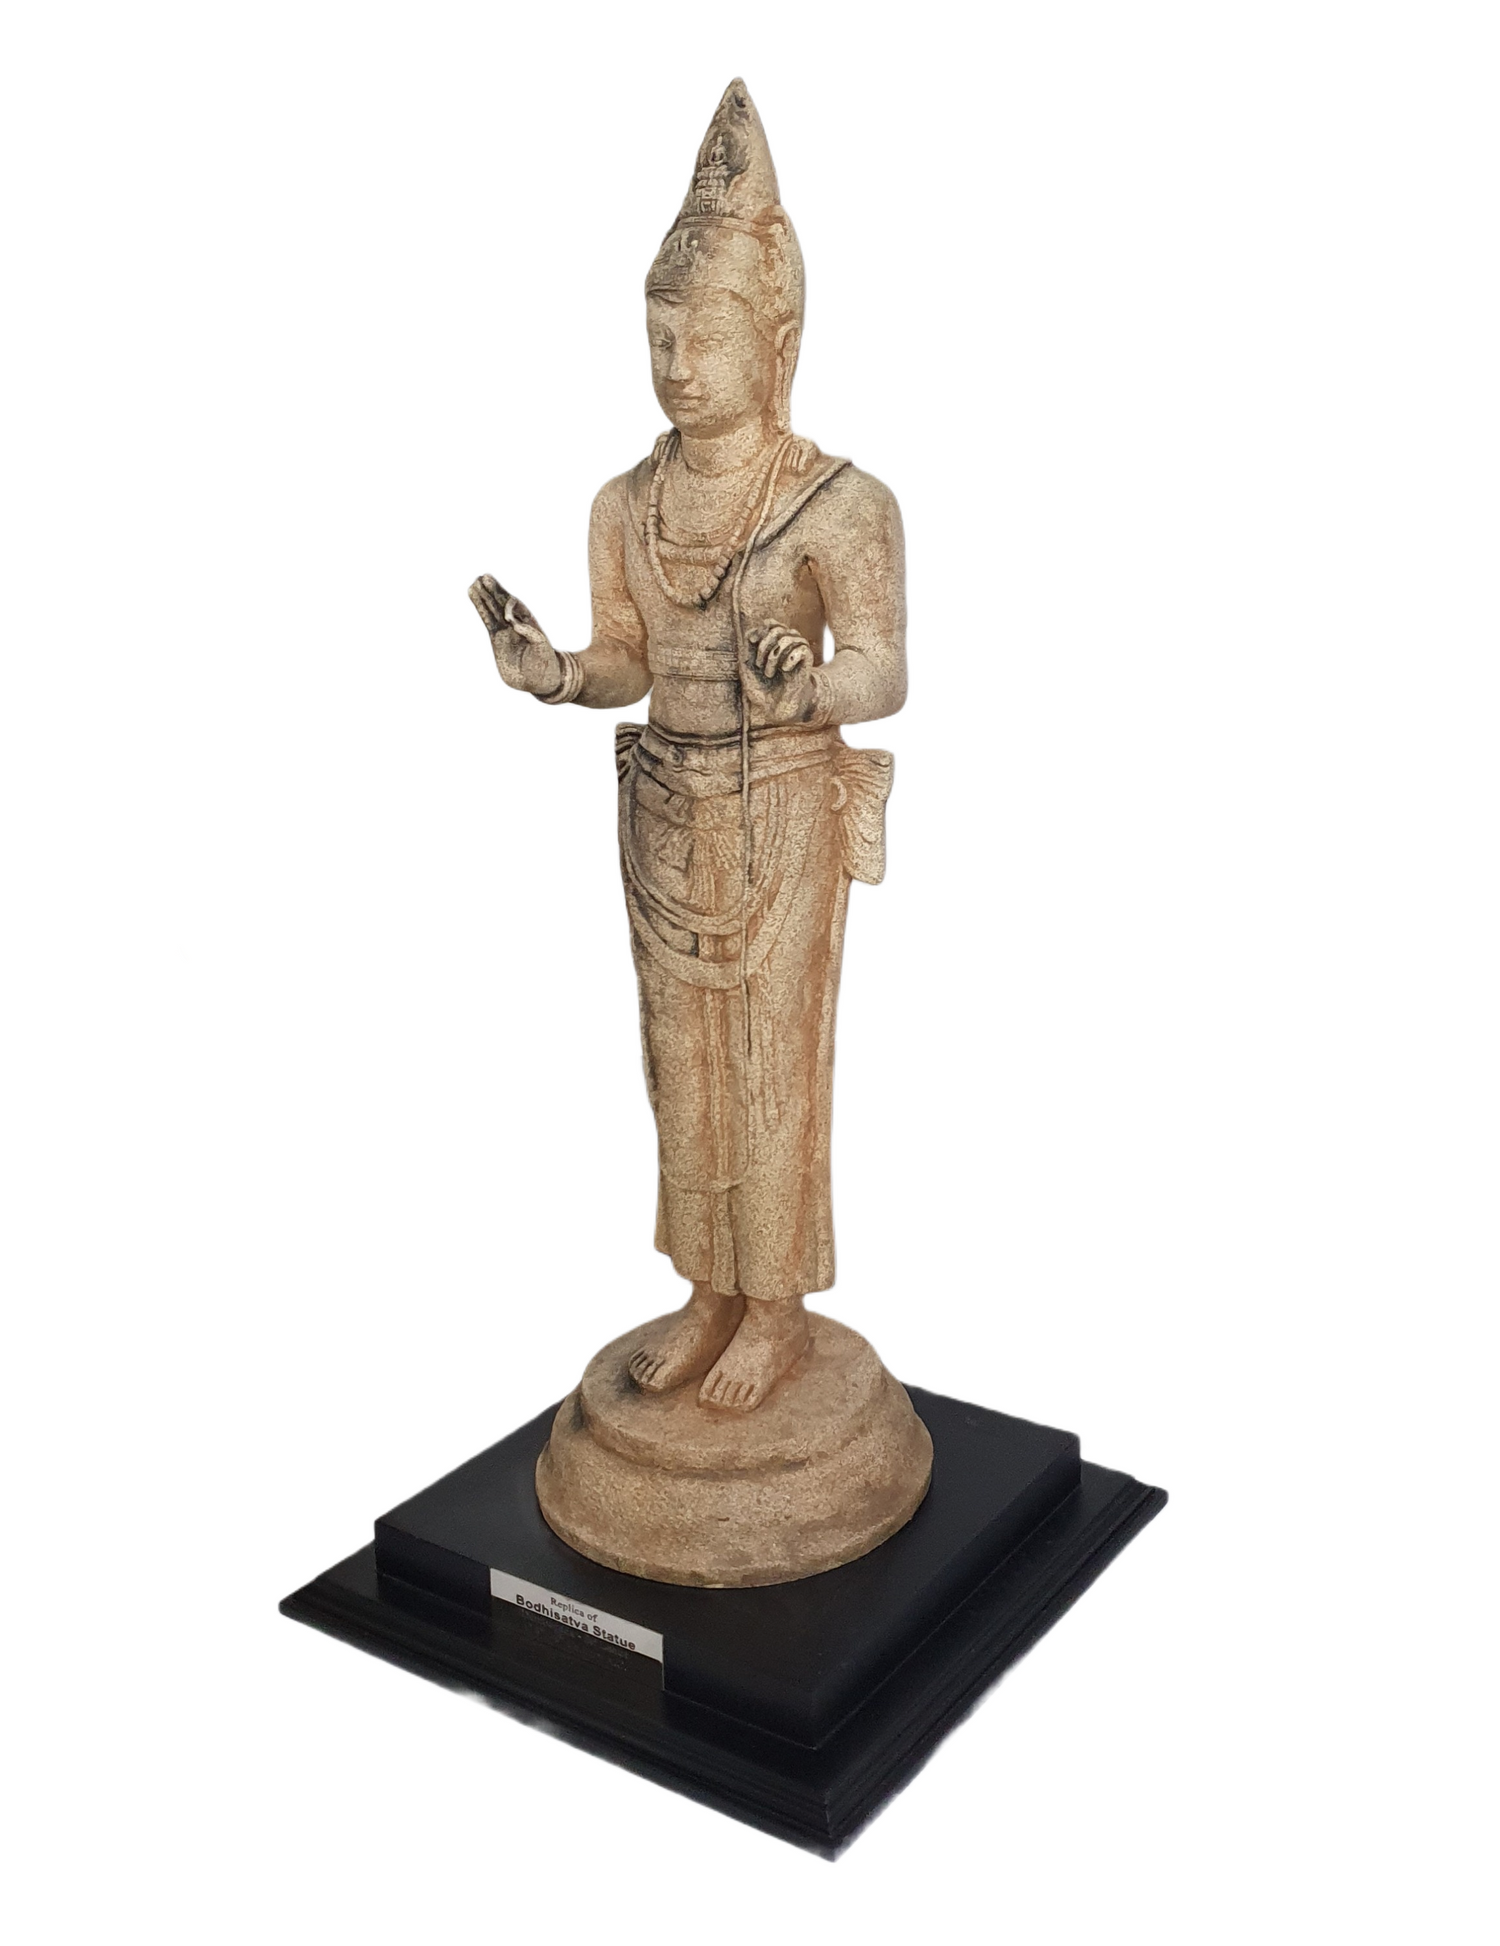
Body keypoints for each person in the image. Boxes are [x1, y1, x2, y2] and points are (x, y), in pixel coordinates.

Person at [467, 79, 906, 1414]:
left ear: (778, 343)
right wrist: (559, 675)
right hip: (662, 808)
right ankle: (709, 1289)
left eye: (703, 335)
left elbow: (884, 669)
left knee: (771, 1061)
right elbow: (630, 656)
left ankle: (772, 1310)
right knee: (683, 1067)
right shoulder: (626, 503)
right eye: (657, 334)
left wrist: (806, 685)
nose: (676, 363)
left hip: (782, 811)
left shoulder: (841, 504)